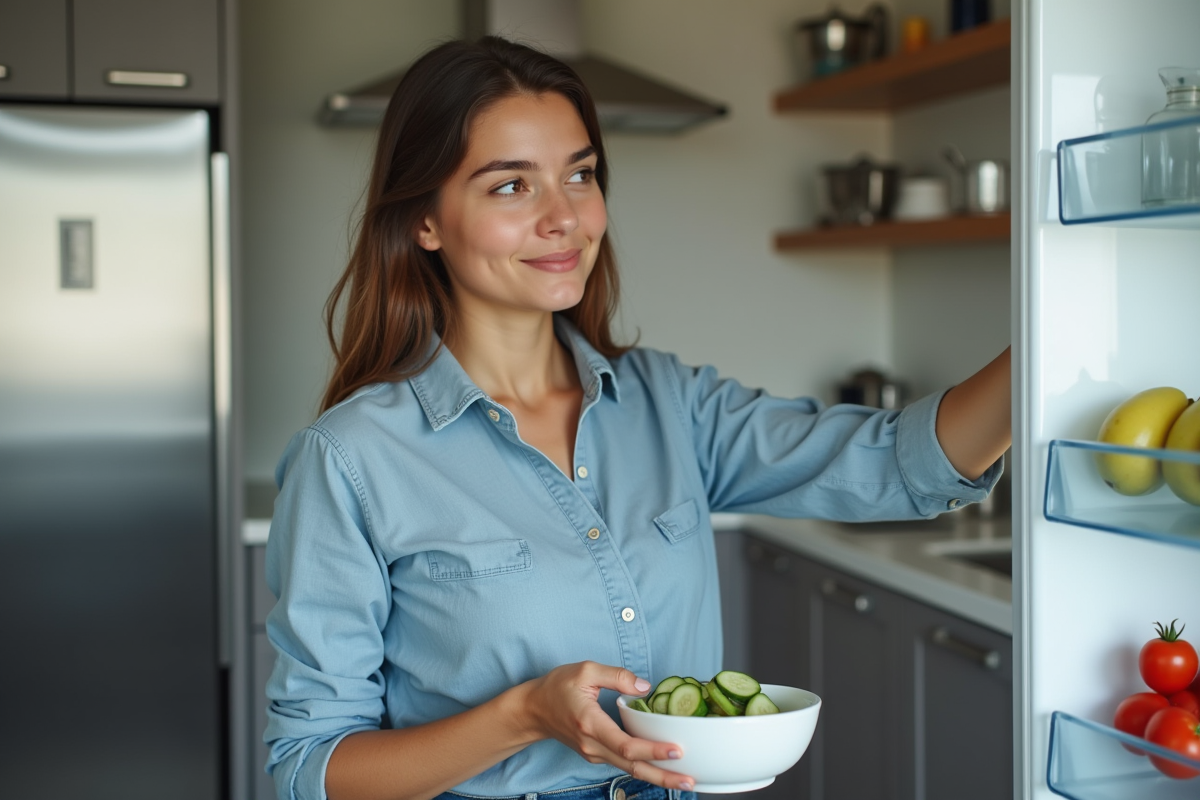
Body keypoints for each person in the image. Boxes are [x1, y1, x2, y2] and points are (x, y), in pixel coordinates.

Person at [263, 35, 1011, 800]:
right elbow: (309, 770)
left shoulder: (668, 403)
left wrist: (1047, 342)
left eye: (579, 175)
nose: (564, 217)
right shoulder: (352, 457)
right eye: (511, 187)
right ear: (425, 220)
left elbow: (895, 465)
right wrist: (524, 714)